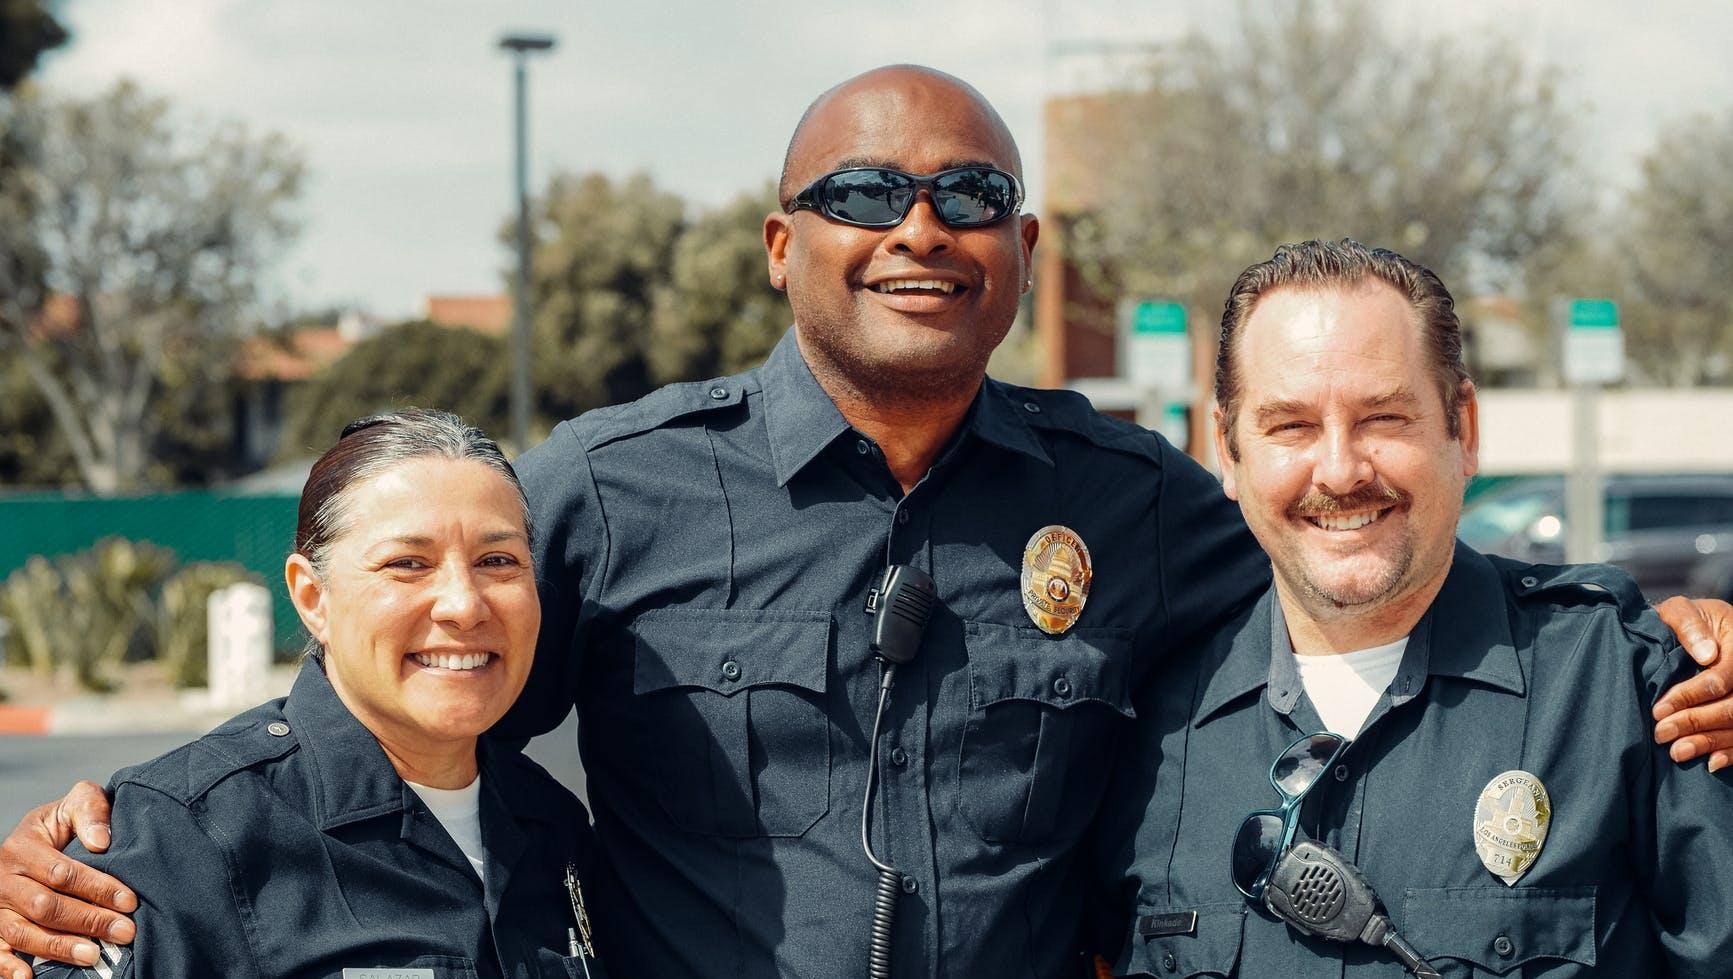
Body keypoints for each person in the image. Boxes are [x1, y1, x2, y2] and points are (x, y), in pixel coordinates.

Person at [4, 67, 1733, 979]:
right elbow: (403, 695)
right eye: (859, 192)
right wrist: (120, 831)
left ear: (1023, 250)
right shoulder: (609, 486)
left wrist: (1670, 634)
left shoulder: (1130, 501)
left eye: (967, 194)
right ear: (780, 246)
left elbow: (1361, 553)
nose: (917, 225)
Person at [1100, 240, 1733, 977]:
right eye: (1291, 426)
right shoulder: (1143, 727)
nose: (1338, 470)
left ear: (1461, 427)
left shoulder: (1633, 691)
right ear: (1228, 453)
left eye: (1382, 417)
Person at [22, 410, 607, 979]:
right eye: (408, 563)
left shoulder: (554, 827)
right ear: (311, 597)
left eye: (498, 560)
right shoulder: (181, 838)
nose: (463, 604)